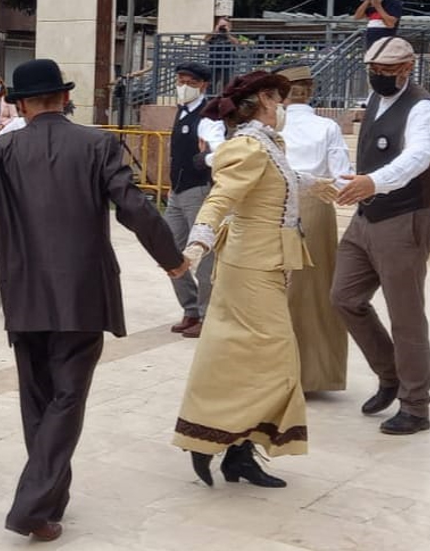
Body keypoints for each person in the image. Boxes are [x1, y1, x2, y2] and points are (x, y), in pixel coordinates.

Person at [0, 59, 187, 542]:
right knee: (67, 398)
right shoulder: (98, 144)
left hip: (23, 292)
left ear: (18, 103)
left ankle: (46, 504)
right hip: (84, 292)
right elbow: (134, 206)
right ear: (65, 99)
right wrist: (172, 260)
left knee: (39, 399)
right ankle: (33, 505)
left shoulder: (2, 150)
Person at [171, 71, 339, 488]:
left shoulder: (267, 143)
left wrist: (321, 186)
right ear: (263, 99)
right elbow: (221, 198)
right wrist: (196, 246)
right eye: (278, 98)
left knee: (244, 357)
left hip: (266, 263)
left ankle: (235, 450)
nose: (283, 106)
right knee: (276, 359)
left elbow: (281, 180)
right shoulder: (247, 145)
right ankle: (213, 437)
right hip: (249, 266)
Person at [331, 37, 430, 435]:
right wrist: (350, 183)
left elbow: (418, 157)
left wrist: (373, 182)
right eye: (374, 72)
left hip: (405, 216)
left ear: (407, 68)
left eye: (387, 72)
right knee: (344, 298)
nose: (379, 78)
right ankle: (390, 374)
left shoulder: (422, 107)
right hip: (366, 217)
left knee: (406, 316)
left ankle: (416, 406)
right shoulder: (376, 101)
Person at [274, 64, 352, 392]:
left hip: (275, 206)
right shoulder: (327, 127)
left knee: (277, 288)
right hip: (317, 207)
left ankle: (277, 374)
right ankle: (317, 374)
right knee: (317, 290)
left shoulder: (270, 126)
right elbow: (342, 175)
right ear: (311, 90)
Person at [164, 62, 225, 339]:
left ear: (203, 85)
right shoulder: (182, 110)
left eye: (189, 81)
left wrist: (208, 155)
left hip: (198, 190)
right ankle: (190, 308)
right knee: (169, 251)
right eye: (179, 80)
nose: (182, 86)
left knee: (204, 253)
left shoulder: (208, 116)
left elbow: (218, 147)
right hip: (176, 191)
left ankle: (206, 312)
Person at [206, 17, 241, 94]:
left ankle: (225, 102)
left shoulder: (233, 34)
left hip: (227, 64)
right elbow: (206, 40)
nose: (222, 27)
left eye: (224, 25)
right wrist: (215, 31)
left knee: (227, 85)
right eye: (221, 24)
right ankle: (210, 101)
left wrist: (228, 33)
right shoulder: (214, 34)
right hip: (213, 63)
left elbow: (237, 43)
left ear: (229, 26)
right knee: (210, 84)